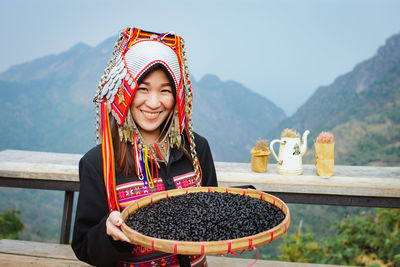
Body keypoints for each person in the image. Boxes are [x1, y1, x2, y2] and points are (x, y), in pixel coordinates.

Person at [72, 27, 218, 267]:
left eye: (165, 90)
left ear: (177, 97)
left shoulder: (196, 148)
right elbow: (85, 249)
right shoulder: (98, 163)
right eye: (143, 88)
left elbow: (212, 216)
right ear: (125, 91)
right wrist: (110, 233)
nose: (153, 102)